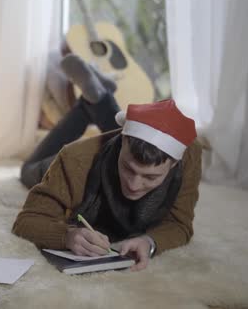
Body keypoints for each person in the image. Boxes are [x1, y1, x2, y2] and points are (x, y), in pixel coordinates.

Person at [13, 54, 201, 271]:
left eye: (150, 177)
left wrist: (150, 242)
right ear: (121, 141)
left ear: (175, 164)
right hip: (57, 168)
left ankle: (94, 101)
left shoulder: (189, 156)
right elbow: (27, 220)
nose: (134, 184)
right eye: (128, 168)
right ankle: (93, 101)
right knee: (26, 171)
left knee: (100, 113)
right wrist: (67, 236)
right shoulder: (75, 160)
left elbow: (180, 223)